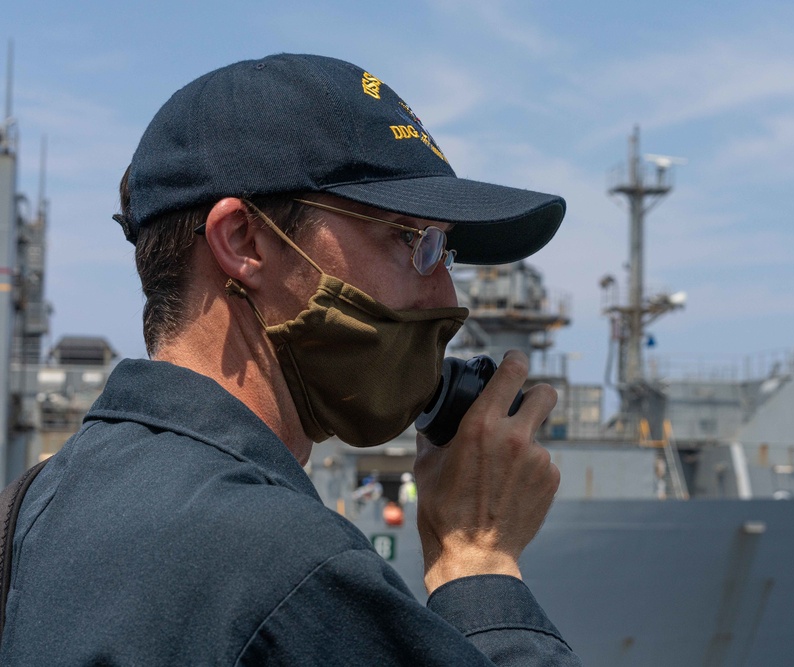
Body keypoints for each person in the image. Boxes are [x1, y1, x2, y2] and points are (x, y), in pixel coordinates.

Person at [0, 54, 579, 665]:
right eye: (411, 240)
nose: (446, 299)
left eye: (446, 251)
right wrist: (477, 562)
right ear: (244, 241)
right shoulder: (290, 570)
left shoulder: (36, 508)